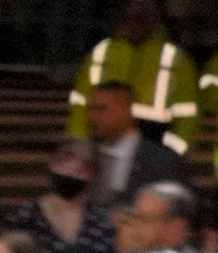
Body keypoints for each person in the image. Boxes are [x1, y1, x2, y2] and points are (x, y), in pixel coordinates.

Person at [68, 0, 197, 149]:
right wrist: (80, 139)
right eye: (131, 16)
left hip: (153, 139)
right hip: (107, 135)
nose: (135, 22)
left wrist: (173, 151)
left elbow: (188, 110)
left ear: (155, 20)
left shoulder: (175, 57)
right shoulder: (103, 51)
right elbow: (81, 98)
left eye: (142, 17)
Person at [78, 76, 190, 209]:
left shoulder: (162, 160)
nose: (92, 116)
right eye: (90, 109)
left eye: (101, 109)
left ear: (126, 110)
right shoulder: (85, 155)